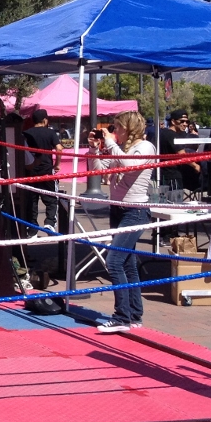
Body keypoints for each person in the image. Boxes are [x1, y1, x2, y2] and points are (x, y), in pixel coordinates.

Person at [89, 111, 155, 334]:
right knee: (128, 264)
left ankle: (121, 318)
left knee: (114, 261)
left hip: (135, 210)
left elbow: (129, 165)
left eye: (117, 127)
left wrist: (109, 143)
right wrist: (95, 149)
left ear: (128, 127)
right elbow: (98, 171)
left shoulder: (145, 147)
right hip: (118, 208)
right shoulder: (120, 149)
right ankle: (134, 315)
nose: (114, 132)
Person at [22, 108, 61, 231]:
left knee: (32, 201)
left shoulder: (26, 133)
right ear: (45, 120)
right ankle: (49, 222)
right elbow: (59, 148)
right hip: (47, 170)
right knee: (51, 198)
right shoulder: (50, 132)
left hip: (31, 171)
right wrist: (57, 164)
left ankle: (32, 227)